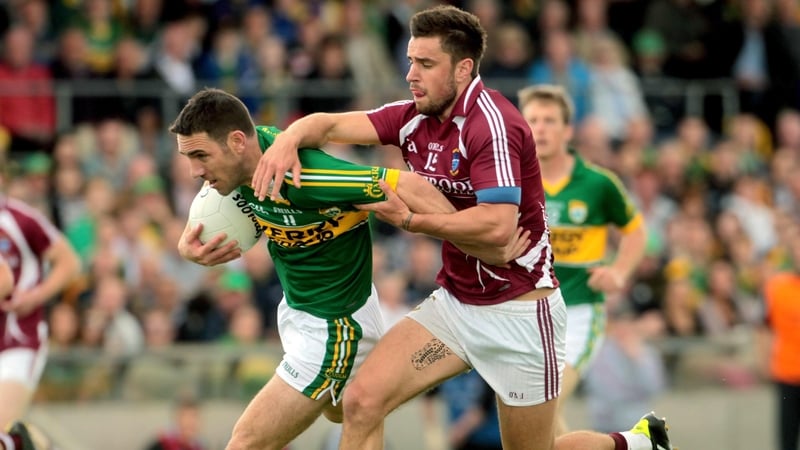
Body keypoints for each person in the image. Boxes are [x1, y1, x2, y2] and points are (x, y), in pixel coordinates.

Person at [250, 5, 673, 450]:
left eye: (426, 64)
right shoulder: (413, 116)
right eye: (410, 61)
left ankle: (638, 444)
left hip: (521, 314)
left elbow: (497, 228)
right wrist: (287, 141)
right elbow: (331, 125)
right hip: (455, 308)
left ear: (463, 69)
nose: (411, 74)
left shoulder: (493, 124)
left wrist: (412, 220)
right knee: (361, 402)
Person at [171, 88, 522, 450]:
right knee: (349, 413)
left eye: (200, 156)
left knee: (245, 443)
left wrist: (481, 247)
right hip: (301, 309)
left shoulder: (307, 177)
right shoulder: (238, 166)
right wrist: (187, 245)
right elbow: (211, 211)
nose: (195, 172)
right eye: (189, 158)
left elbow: (410, 185)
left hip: (335, 328)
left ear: (237, 142)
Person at [517, 84, 648, 436]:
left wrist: (619, 271)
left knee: (545, 403)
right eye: (533, 121)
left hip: (578, 312)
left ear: (567, 130)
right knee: (533, 418)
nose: (541, 128)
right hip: (524, 312)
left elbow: (636, 232)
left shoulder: (598, 183)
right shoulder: (512, 182)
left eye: (549, 120)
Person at [0, 162, 81, 450]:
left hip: (19, 338)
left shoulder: (22, 220)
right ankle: (30, 443)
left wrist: (34, 296)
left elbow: (69, 262)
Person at [759, 231, 800, 450]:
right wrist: (764, 361)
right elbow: (764, 327)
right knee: (787, 438)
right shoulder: (777, 288)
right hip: (787, 373)